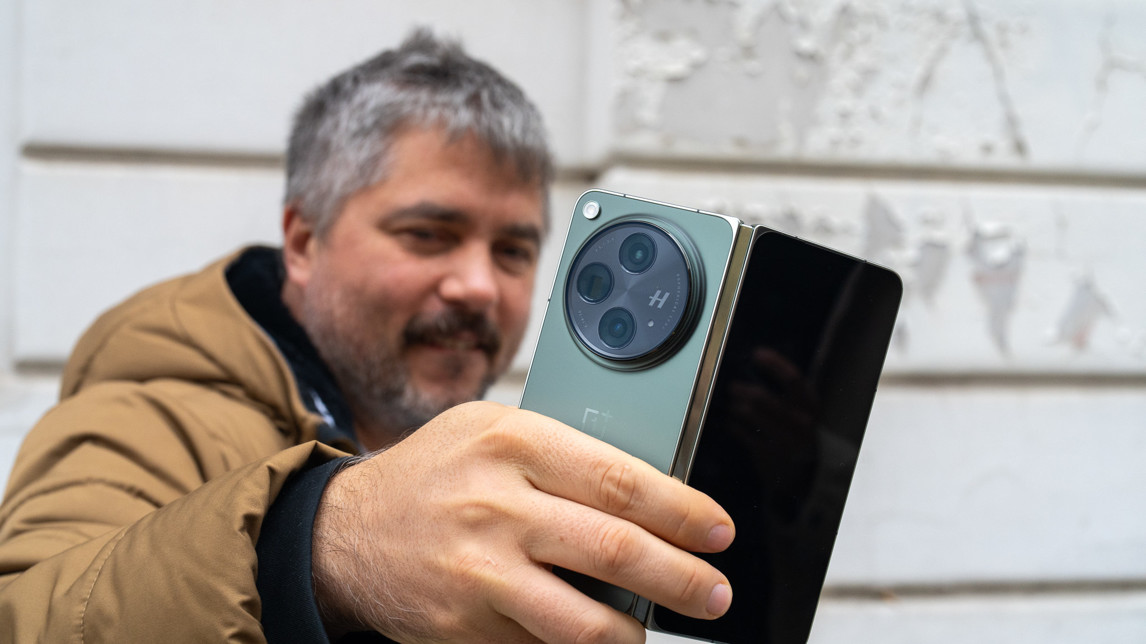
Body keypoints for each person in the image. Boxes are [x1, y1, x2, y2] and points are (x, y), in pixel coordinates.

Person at [0, 30, 734, 643]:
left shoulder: (498, 469)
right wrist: (321, 546)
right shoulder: (143, 419)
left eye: (513, 250)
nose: (479, 286)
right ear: (303, 241)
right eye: (428, 234)